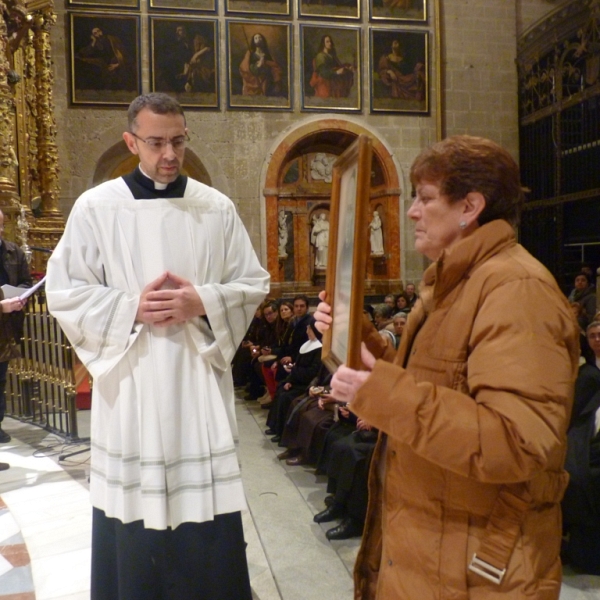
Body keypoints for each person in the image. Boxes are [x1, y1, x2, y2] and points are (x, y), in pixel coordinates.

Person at [314, 135, 579, 599]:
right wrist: (358, 338)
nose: (413, 211)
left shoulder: (516, 289)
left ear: (470, 206)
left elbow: (513, 442)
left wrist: (380, 393)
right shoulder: (457, 280)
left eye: (426, 197)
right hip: (434, 542)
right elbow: (439, 385)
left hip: (479, 566)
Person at [45, 93, 269, 600]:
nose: (169, 153)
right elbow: (65, 291)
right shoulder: (97, 207)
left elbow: (253, 282)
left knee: (205, 519)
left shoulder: (215, 207)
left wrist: (202, 300)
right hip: (133, 380)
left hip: (195, 378)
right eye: (156, 142)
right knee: (135, 515)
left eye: (178, 140)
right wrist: (130, 308)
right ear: (132, 142)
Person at [0, 209, 32, 444]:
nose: (1, 230)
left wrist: (21, 296)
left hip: (7, 327)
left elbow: (26, 281)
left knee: (0, 379)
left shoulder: (13, 251)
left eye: (2, 225)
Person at [76, 26, 129, 91]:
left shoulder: (113, 39)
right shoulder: (96, 43)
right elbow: (87, 52)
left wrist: (118, 64)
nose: (98, 33)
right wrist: (94, 41)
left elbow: (124, 54)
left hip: (116, 62)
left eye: (98, 31)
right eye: (95, 33)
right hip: (104, 64)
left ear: (102, 31)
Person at [309, 35, 354, 99]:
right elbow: (323, 72)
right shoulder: (320, 56)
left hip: (333, 78)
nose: (330, 43)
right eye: (327, 42)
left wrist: (347, 67)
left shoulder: (331, 56)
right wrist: (336, 73)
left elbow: (338, 66)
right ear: (323, 44)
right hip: (326, 79)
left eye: (330, 41)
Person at [239, 33, 282, 97]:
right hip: (253, 78)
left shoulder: (267, 54)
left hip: (265, 78)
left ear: (263, 40)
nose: (258, 39)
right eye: (256, 38)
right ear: (253, 41)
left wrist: (264, 62)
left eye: (259, 37)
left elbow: (275, 66)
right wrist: (257, 65)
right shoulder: (250, 53)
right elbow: (244, 66)